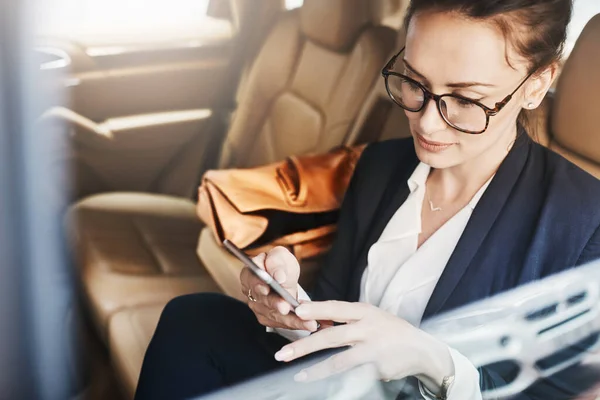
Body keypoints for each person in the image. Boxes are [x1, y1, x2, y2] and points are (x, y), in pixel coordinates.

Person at [134, 0, 600, 399]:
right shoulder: (381, 166)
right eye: (414, 83)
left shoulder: (584, 225)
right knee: (192, 319)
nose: (426, 124)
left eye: (465, 100)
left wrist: (436, 362)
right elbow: (336, 319)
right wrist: (290, 309)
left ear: (537, 84)